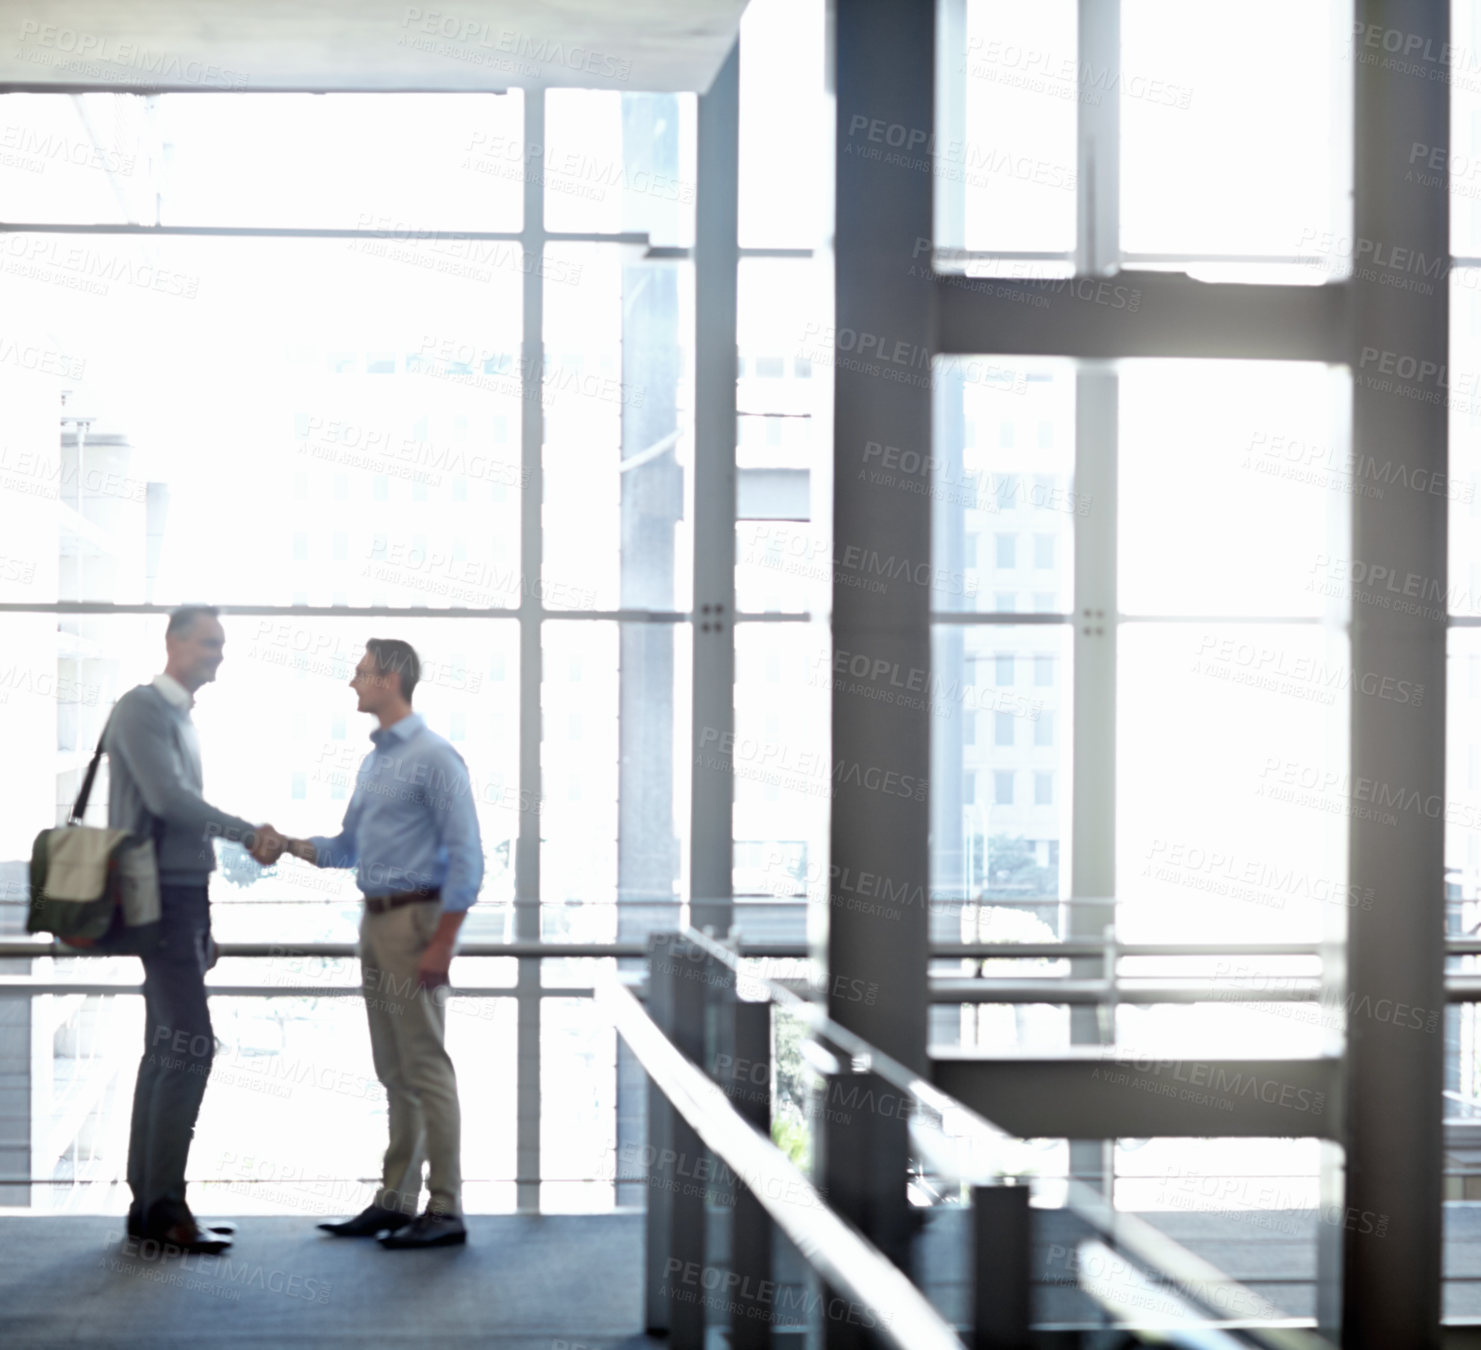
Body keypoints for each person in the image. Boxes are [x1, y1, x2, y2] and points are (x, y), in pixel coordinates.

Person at [283, 637, 482, 1249]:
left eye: (361, 672)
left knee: (426, 1067)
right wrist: (289, 845)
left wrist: (442, 943)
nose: (353, 683)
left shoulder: (436, 759)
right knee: (394, 1069)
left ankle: (445, 1207)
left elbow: (468, 861)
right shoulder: (375, 762)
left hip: (416, 923)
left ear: (391, 679)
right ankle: (396, 1200)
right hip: (375, 921)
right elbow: (349, 847)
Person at [106, 605, 287, 1254]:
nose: (218, 654)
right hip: (156, 904)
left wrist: (206, 916)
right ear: (174, 642)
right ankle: (164, 1206)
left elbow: (181, 829)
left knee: (166, 1048)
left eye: (222, 643)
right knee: (190, 1046)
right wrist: (247, 833)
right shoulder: (143, 710)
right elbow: (167, 802)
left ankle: (147, 1205)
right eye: (209, 642)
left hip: (182, 901)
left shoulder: (181, 718)